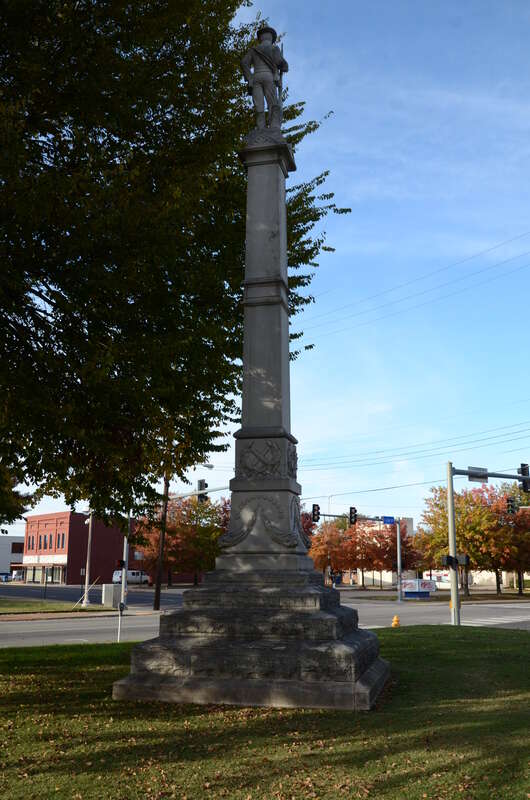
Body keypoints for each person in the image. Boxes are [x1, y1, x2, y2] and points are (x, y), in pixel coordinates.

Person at [241, 26, 288, 129]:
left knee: (259, 105)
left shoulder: (253, 50)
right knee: (272, 103)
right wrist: (284, 65)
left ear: (260, 38)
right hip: (269, 77)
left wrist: (250, 78)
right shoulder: (274, 48)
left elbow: (244, 63)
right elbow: (281, 64)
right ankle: (273, 126)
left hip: (256, 78)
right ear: (271, 38)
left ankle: (260, 128)